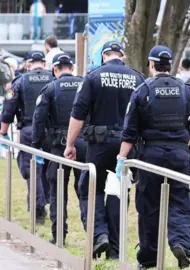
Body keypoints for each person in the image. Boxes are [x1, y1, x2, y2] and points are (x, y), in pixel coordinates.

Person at [115, 45, 190, 269]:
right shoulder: (186, 90)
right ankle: (181, 242)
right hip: (179, 155)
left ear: (152, 64)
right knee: (180, 202)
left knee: (148, 207)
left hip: (150, 156)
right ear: (170, 65)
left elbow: (130, 133)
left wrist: (121, 159)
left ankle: (148, 259)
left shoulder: (143, 90)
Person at [64, 41, 144, 259]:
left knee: (90, 188)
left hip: (99, 146)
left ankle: (99, 234)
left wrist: (70, 144)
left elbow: (78, 113)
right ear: (122, 55)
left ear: (103, 56)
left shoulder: (93, 76)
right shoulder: (137, 78)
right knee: (118, 193)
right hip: (127, 148)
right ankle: (115, 251)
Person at [31, 53, 85, 245]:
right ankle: (95, 236)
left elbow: (38, 119)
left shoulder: (50, 88)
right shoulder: (84, 84)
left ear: (55, 70)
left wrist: (36, 145)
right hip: (84, 144)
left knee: (58, 192)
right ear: (71, 68)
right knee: (85, 191)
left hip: (58, 148)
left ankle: (59, 235)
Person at [0, 50, 53, 224]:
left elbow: (8, 109)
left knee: (31, 171)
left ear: (28, 64)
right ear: (44, 63)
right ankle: (48, 202)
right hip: (51, 132)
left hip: (29, 130)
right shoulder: (53, 79)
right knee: (47, 170)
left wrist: (3, 132)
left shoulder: (21, 81)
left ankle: (38, 209)